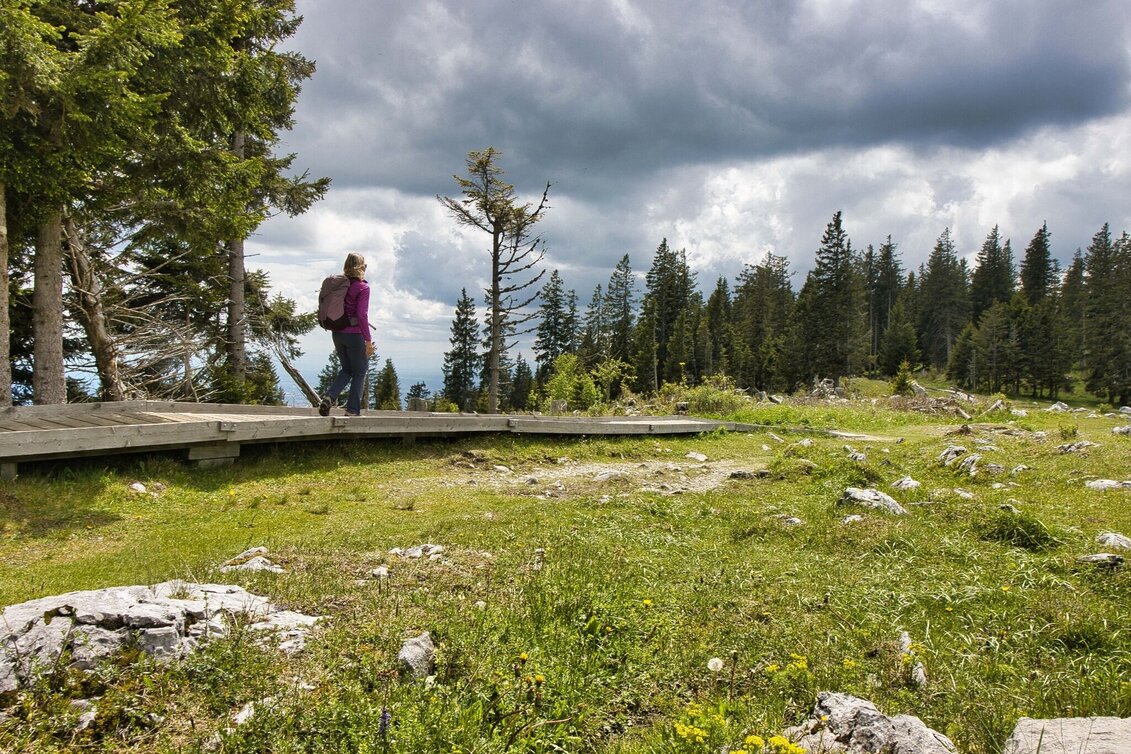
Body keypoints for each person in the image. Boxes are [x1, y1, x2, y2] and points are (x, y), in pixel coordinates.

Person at [319, 252, 374, 416]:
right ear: (361, 267)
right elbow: (362, 315)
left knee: (347, 369)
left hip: (337, 333)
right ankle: (352, 410)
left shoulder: (339, 285)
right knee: (360, 371)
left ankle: (329, 397)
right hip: (354, 334)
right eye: (365, 265)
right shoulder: (363, 287)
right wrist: (368, 341)